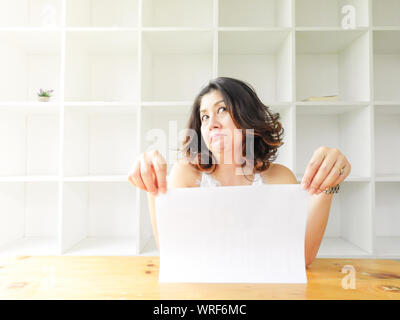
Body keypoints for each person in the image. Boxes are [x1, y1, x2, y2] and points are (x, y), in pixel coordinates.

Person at [128, 77, 351, 267]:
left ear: (247, 116)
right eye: (204, 116)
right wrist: (152, 187)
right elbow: (172, 253)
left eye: (222, 109)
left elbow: (301, 257)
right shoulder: (186, 174)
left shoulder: (280, 178)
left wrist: (328, 185)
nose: (211, 123)